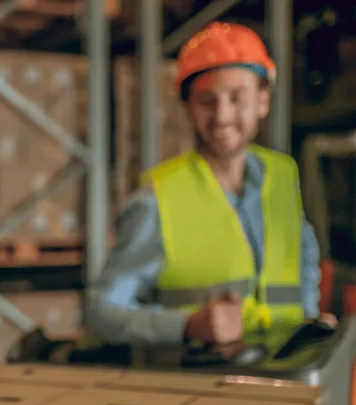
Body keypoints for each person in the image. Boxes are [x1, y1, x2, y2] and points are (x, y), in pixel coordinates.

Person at [87, 22, 327, 347]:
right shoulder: (157, 200)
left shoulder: (282, 175)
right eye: (206, 101)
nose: (222, 116)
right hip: (205, 385)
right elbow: (102, 311)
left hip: (285, 375)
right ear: (187, 108)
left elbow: (304, 253)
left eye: (236, 98)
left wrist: (309, 319)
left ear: (263, 100)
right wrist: (185, 326)